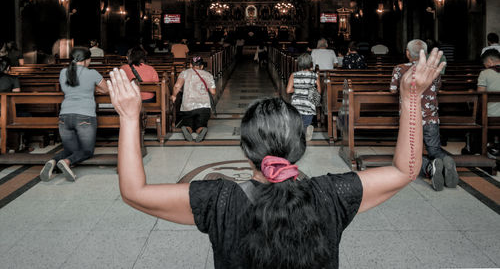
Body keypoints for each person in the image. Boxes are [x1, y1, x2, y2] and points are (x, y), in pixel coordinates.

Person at [106, 48, 444, 268]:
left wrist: (130, 117)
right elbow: (405, 170)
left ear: (245, 149)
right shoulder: (331, 196)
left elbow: (134, 192)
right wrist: (412, 96)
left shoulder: (219, 201)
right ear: (300, 145)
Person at [390, 39, 457, 191]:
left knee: (410, 155)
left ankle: (430, 167)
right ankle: (445, 160)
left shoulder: (400, 68)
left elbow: (393, 89)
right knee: (434, 149)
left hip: (410, 118)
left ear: (407, 53)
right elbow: (437, 86)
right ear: (425, 54)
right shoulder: (432, 70)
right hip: (430, 116)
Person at [39, 47, 108, 182]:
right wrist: (92, 87)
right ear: (87, 60)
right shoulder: (92, 73)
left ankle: (52, 161)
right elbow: (105, 89)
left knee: (71, 150)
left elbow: (67, 88)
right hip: (85, 116)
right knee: (87, 151)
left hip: (64, 116)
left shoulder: (63, 72)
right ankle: (67, 162)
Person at [170, 57, 216, 142]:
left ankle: (187, 129)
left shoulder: (184, 73)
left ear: (191, 65)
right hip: (204, 106)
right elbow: (213, 92)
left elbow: (177, 86)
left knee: (188, 124)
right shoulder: (208, 75)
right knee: (200, 125)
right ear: (202, 66)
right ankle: (201, 130)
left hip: (187, 106)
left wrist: (173, 95)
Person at [286, 53, 321, 141]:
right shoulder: (315, 76)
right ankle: (307, 128)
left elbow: (288, 90)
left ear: (299, 64)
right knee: (306, 122)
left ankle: (299, 131)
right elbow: (319, 91)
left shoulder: (294, 75)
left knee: (296, 121)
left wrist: (298, 89)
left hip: (296, 105)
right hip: (309, 105)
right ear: (310, 64)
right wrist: (308, 89)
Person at [476, 49, 500, 158]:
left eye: (485, 63)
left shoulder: (484, 73)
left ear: (490, 61)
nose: (485, 66)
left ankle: (485, 147)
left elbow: (481, 94)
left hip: (491, 116)